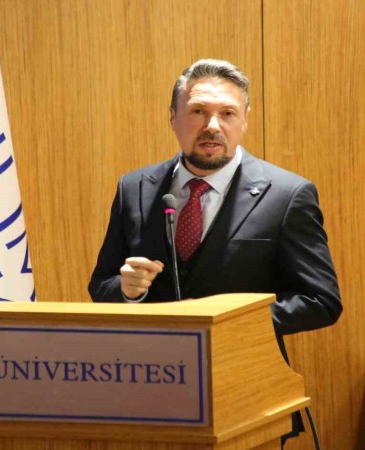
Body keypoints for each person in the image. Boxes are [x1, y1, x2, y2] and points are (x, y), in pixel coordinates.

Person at [88, 59, 342, 442]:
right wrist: (127, 291)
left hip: (247, 398)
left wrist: (225, 323)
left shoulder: (287, 195)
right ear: (173, 118)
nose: (212, 125)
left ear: (245, 120)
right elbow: (101, 285)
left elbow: (321, 301)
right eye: (197, 112)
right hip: (149, 394)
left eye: (227, 113)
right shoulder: (134, 188)